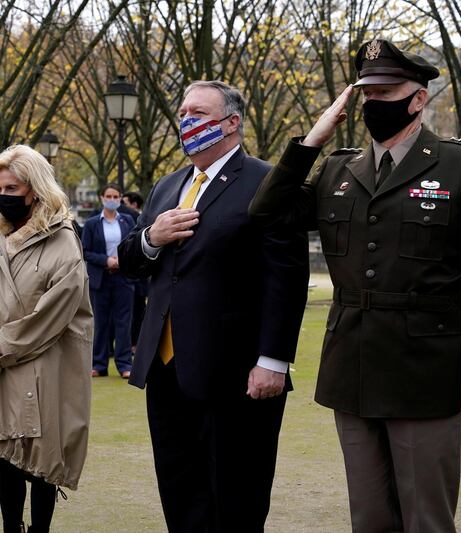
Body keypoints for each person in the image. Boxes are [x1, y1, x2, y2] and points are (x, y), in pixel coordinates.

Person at [249, 39, 461, 531]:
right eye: (367, 93)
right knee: (369, 517)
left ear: (419, 98)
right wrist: (311, 141)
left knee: (426, 519)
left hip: (427, 370)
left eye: (387, 92)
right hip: (352, 364)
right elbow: (265, 214)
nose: (374, 104)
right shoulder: (337, 168)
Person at [118, 80, 309, 532]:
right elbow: (130, 262)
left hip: (235, 372)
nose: (186, 121)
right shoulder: (169, 185)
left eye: (198, 112)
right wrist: (152, 237)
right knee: (180, 492)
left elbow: (286, 275)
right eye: (183, 112)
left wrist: (273, 360)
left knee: (236, 496)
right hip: (164, 370)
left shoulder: (266, 181)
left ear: (232, 123)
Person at [0, 144, 92, 533]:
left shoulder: (63, 241)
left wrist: (5, 345)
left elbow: (55, 313)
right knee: (6, 456)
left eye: (12, 188)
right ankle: (10, 527)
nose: (3, 197)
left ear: (34, 189)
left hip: (45, 365)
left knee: (42, 459)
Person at [82, 183, 135, 378]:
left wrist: (122, 260)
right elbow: (85, 251)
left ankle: (124, 365)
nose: (112, 200)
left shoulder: (128, 221)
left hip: (123, 278)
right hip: (100, 279)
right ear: (102, 198)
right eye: (109, 196)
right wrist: (106, 260)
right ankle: (98, 364)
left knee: (123, 322)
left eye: (116, 197)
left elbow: (134, 244)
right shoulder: (92, 223)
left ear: (120, 199)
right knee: (100, 323)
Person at [122, 191, 148, 350]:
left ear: (134, 204)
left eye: (124, 202)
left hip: (141, 278)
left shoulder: (132, 219)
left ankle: (136, 342)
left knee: (139, 310)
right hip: (130, 276)